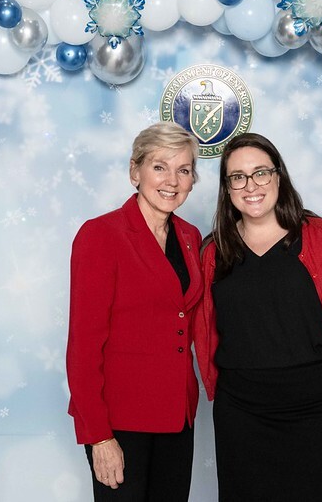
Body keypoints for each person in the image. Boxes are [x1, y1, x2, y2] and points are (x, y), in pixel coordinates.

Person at [193, 132, 322, 501]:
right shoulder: (213, 251)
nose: (251, 185)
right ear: (227, 188)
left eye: (261, 173)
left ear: (279, 177)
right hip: (243, 415)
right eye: (238, 177)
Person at [66, 122, 203, 501]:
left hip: (178, 416)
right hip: (120, 421)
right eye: (160, 167)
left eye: (184, 170)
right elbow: (83, 345)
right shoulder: (101, 235)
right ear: (135, 172)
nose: (172, 180)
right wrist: (98, 436)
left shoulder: (190, 237)